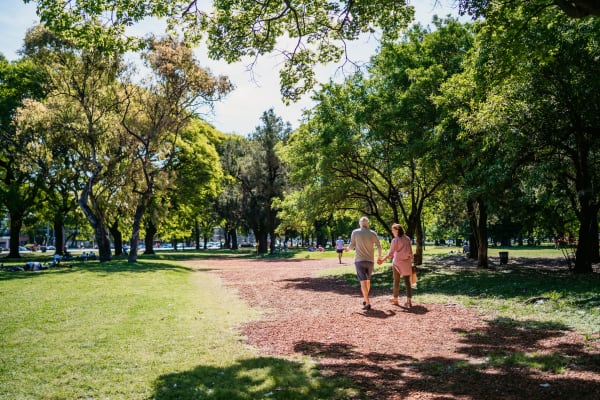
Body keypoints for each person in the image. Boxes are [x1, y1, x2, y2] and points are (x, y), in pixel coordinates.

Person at [345, 216, 383, 310]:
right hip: (370, 261)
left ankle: (368, 303)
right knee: (368, 281)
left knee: (362, 282)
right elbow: (379, 246)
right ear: (368, 223)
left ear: (360, 224)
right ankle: (365, 299)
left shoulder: (355, 232)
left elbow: (352, 245)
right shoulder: (373, 233)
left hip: (359, 260)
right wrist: (379, 257)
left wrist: (347, 249)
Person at [380, 223, 414, 308]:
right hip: (406, 263)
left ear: (397, 230)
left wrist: (382, 260)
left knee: (396, 281)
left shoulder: (395, 240)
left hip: (397, 263)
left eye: (393, 230)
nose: (392, 231)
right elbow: (410, 252)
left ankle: (395, 299)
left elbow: (390, 254)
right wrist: (411, 261)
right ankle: (409, 301)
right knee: (407, 282)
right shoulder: (407, 239)